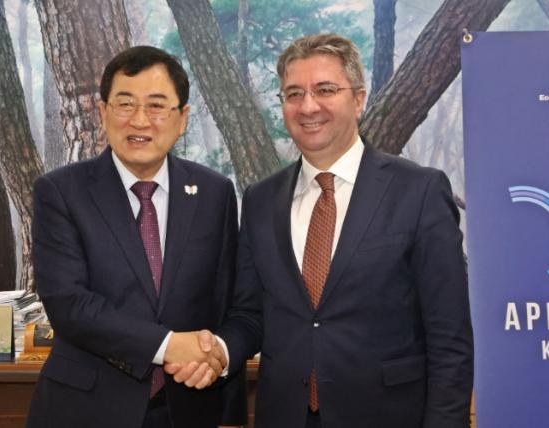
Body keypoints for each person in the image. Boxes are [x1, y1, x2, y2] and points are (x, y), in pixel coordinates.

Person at [206, 33, 473, 427]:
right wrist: (219, 350)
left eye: (325, 90)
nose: (307, 106)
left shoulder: (418, 191)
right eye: (293, 94)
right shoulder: (261, 200)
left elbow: (449, 338)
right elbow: (251, 314)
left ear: (359, 99)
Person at [27, 46, 245, 428]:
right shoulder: (61, 192)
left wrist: (218, 356)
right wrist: (168, 345)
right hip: (86, 409)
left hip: (189, 406)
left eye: (157, 106)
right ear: (103, 112)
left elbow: (230, 301)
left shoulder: (214, 192)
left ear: (182, 119)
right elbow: (69, 304)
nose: (140, 120)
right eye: (125, 104)